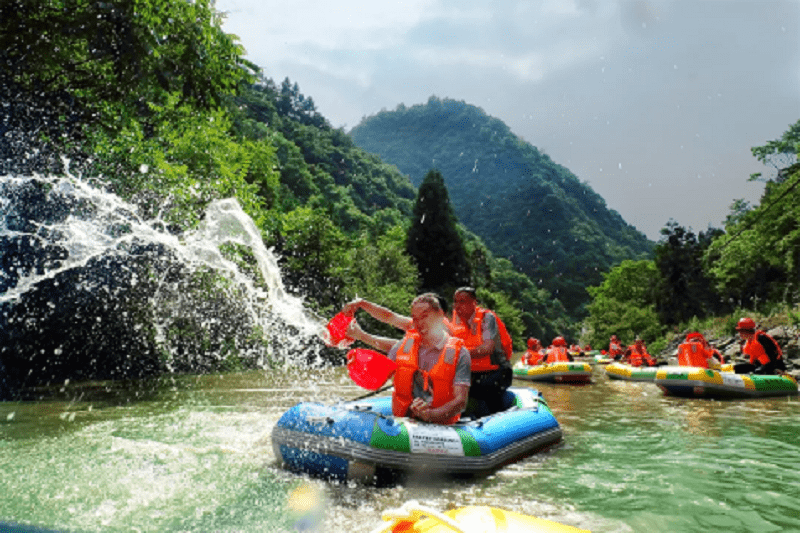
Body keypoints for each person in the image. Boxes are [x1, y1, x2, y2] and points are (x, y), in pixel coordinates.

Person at [344, 293, 471, 424]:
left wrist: (431, 415)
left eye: (425, 316)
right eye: (415, 318)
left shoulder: (456, 348)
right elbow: (391, 354)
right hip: (405, 419)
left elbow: (460, 401)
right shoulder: (410, 338)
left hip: (441, 421)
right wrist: (360, 364)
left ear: (440, 315)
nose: (419, 323)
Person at [450, 287, 513, 417]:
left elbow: (487, 348)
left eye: (462, 301)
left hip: (497, 371)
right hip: (472, 373)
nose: (457, 306)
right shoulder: (455, 320)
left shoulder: (486, 318)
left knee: (483, 390)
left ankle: (496, 419)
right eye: (455, 301)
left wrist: (459, 353)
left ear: (474, 302)